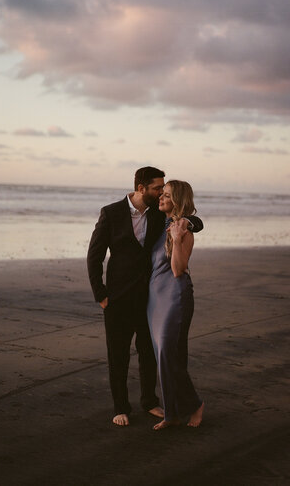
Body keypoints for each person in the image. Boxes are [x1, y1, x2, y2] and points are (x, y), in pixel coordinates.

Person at [87, 167, 203, 426]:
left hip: (149, 298)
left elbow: (190, 219)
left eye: (163, 189)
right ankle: (120, 407)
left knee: (149, 353)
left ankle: (149, 401)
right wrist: (101, 295)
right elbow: (94, 256)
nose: (161, 192)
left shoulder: (157, 215)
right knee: (118, 354)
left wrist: (191, 222)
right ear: (141, 188)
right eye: (157, 188)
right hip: (116, 299)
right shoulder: (111, 213)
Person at [147, 180, 204, 430]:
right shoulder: (161, 224)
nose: (161, 197)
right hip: (155, 298)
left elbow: (178, 270)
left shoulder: (182, 230)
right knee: (165, 357)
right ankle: (174, 413)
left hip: (175, 296)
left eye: (167, 195)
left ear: (177, 201)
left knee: (167, 354)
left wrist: (178, 239)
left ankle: (193, 405)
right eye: (162, 193)